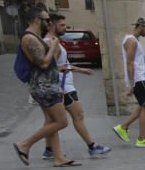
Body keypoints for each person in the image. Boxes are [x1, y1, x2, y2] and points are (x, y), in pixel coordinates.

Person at [12, 6, 80, 167]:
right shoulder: (29, 39)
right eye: (46, 20)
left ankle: (58, 157)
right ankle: (25, 144)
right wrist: (54, 48)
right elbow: (43, 63)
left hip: (46, 84)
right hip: (44, 86)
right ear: (37, 20)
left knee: (51, 120)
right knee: (62, 121)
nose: (49, 23)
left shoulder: (35, 37)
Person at [41, 14, 112, 159]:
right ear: (52, 25)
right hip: (63, 86)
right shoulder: (51, 42)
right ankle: (92, 146)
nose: (65, 28)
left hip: (61, 85)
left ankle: (49, 150)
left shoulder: (52, 41)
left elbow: (61, 63)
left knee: (51, 120)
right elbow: (50, 66)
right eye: (61, 25)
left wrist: (80, 70)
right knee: (78, 115)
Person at [111, 17, 145, 147]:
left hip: (139, 78)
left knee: (144, 106)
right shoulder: (131, 41)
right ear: (141, 26)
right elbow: (130, 62)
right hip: (138, 79)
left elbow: (136, 60)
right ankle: (142, 139)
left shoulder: (132, 40)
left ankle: (123, 127)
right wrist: (132, 84)